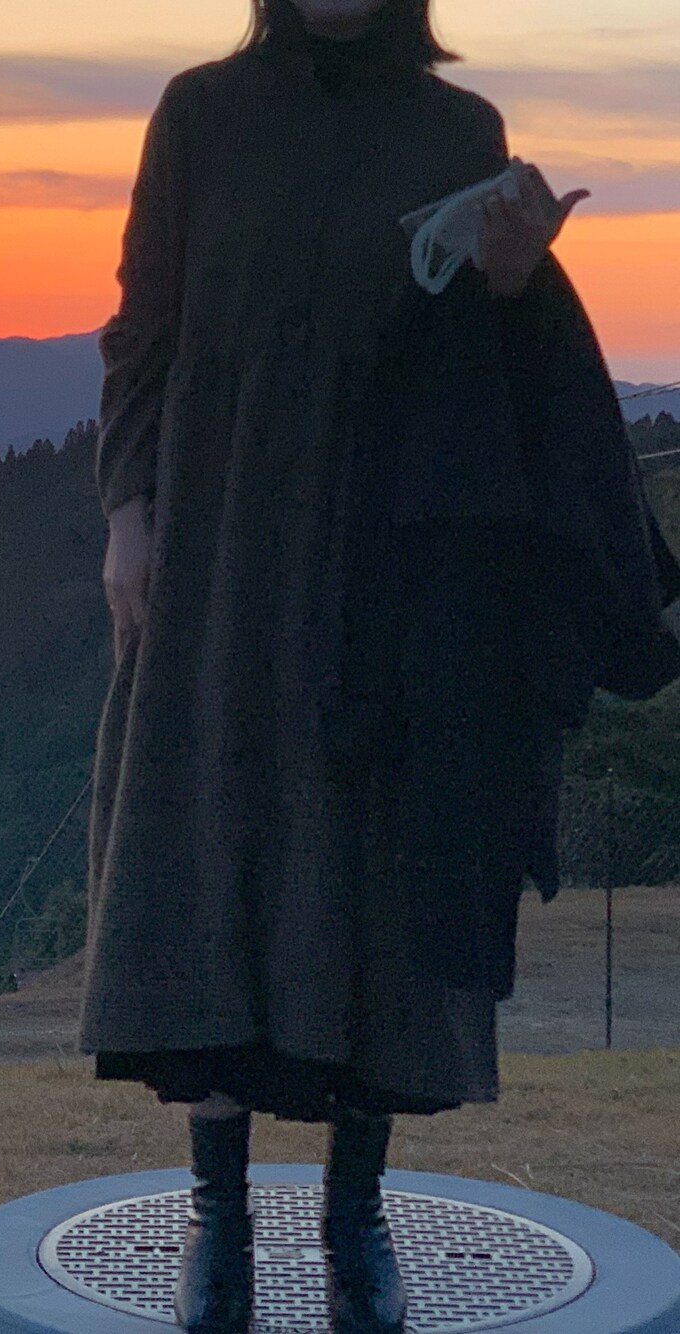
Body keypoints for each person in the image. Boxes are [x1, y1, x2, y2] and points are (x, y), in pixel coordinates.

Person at [79, 1, 680, 1331]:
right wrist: (128, 510)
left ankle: (355, 1214)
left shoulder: (459, 129)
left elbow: (490, 362)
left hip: (394, 568)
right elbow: (142, 330)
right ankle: (218, 1212)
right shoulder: (200, 114)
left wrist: (518, 282)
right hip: (224, 553)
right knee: (215, 857)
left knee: (382, 881)